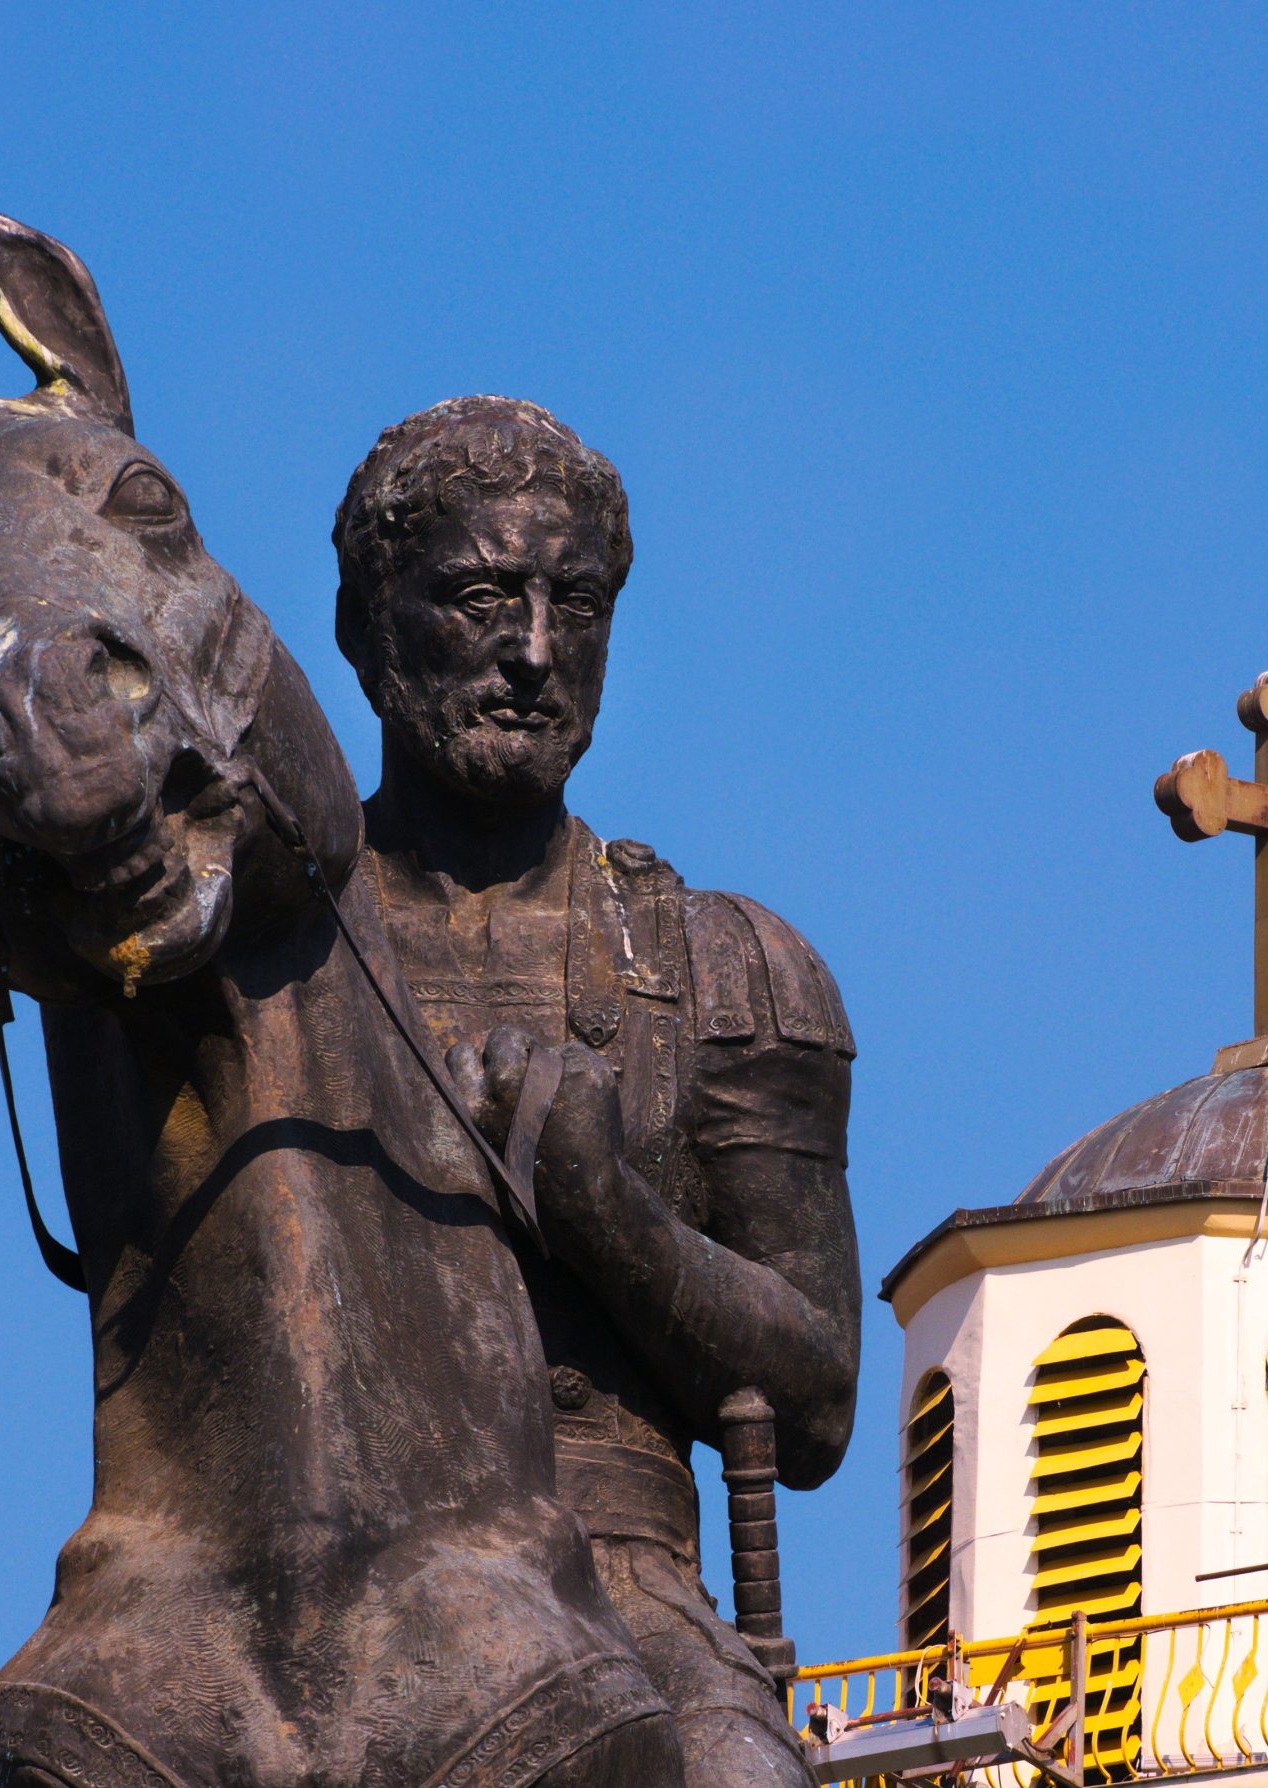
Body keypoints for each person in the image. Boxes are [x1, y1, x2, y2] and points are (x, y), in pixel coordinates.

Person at [334, 396, 861, 1788]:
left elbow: (815, 1403)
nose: (533, 652)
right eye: (479, 599)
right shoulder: (269, 946)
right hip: (304, 1560)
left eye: (577, 605)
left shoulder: (721, 967)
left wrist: (609, 1217)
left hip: (615, 1594)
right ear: (365, 628)